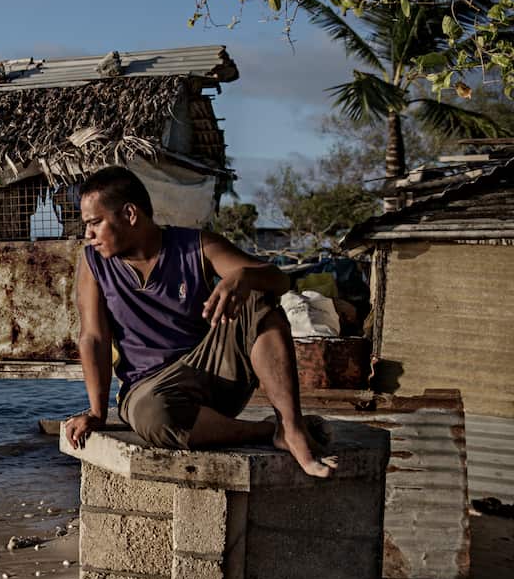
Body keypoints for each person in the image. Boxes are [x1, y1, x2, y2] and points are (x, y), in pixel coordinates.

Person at [63, 166, 337, 478]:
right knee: (155, 416)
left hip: (212, 376)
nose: (88, 234)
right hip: (148, 390)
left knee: (259, 297)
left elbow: (278, 281)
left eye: (95, 223)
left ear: (129, 214)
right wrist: (97, 414)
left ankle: (291, 426)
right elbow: (94, 338)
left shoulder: (196, 246)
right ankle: (266, 431)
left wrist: (245, 277)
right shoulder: (93, 263)